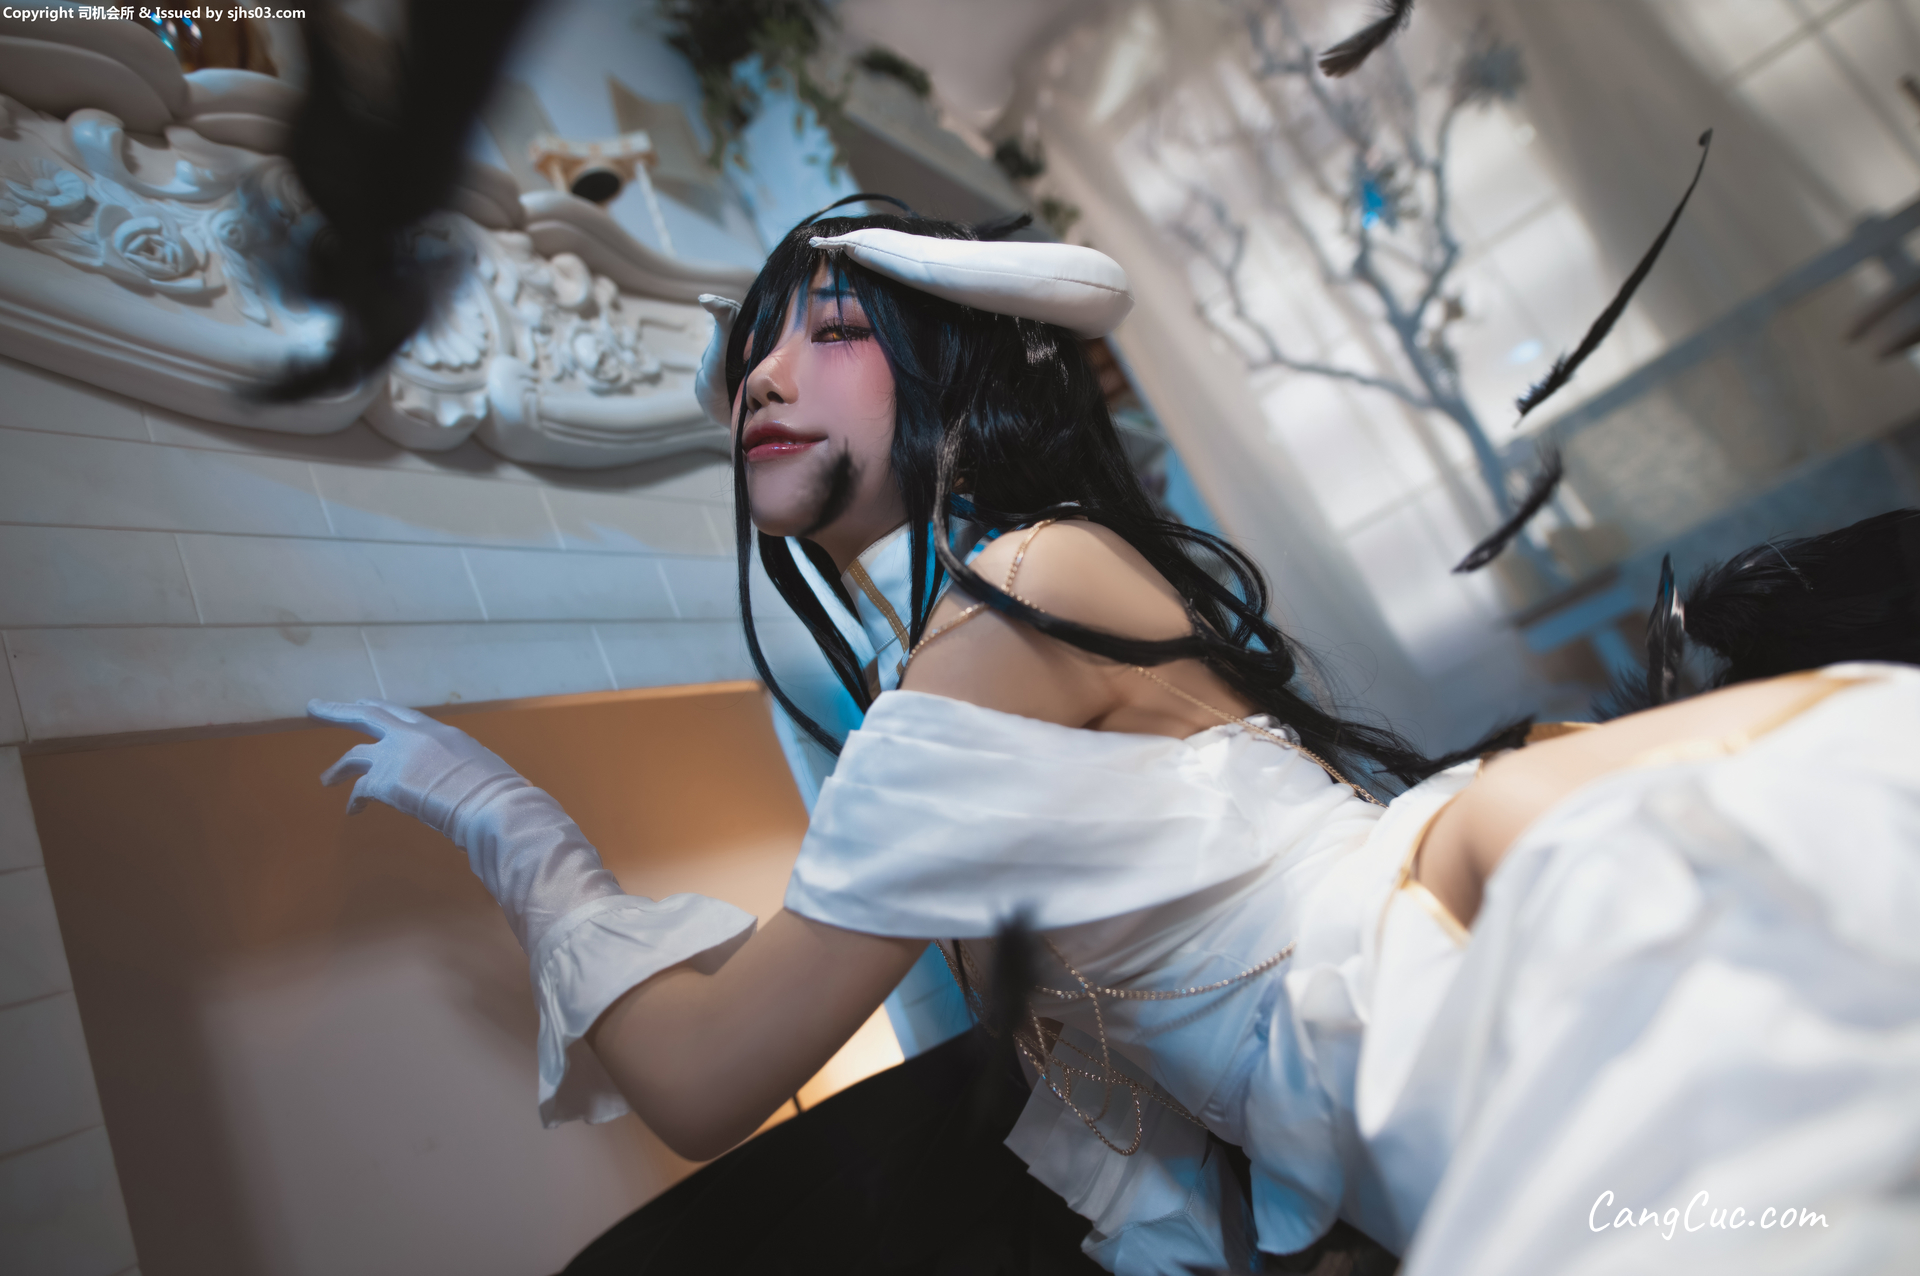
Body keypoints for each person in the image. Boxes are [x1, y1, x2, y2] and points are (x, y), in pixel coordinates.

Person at [309, 206, 1920, 1275]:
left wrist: (525, 845)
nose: (763, 380)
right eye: (752, 354)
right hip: (1404, 1013)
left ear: (951, 359)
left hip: (1429, 941)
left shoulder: (1016, 592)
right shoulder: (978, 637)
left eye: (831, 327)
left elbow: (705, 1072)